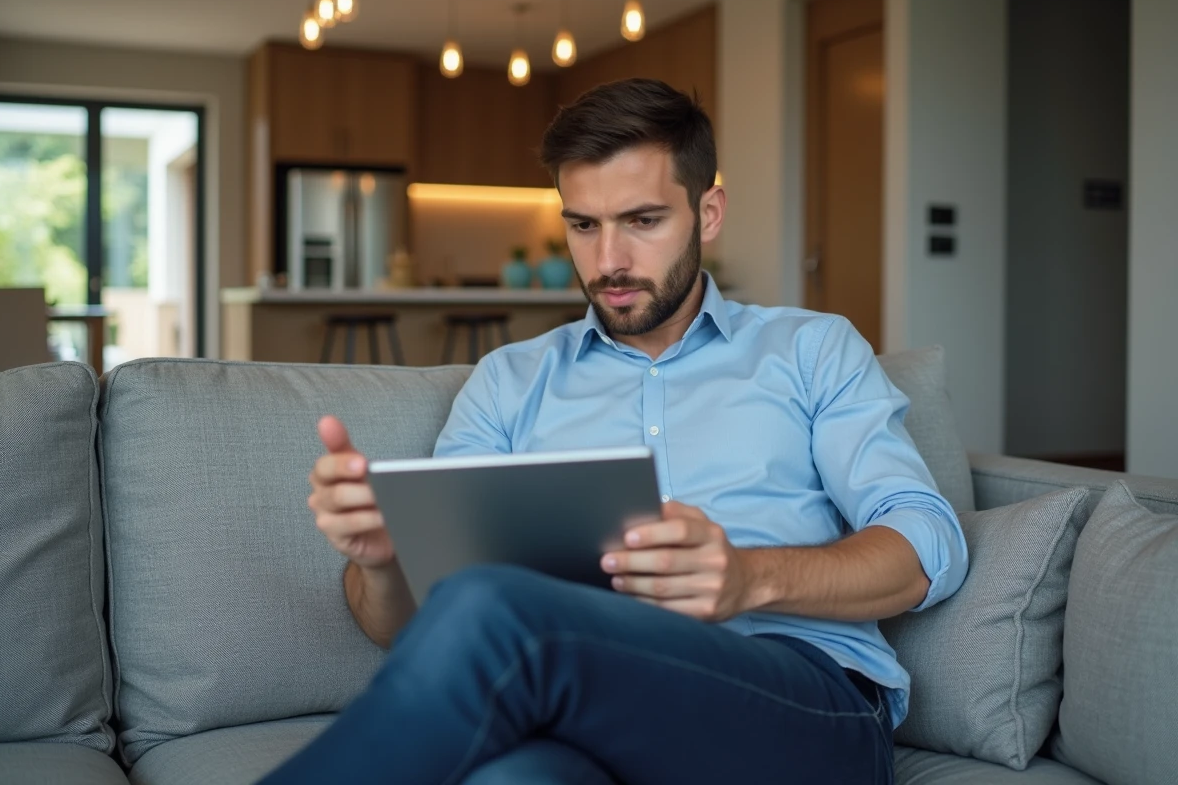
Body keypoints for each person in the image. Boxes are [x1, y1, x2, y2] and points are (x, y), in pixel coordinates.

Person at [261, 78, 968, 785]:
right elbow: (407, 630)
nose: (608, 263)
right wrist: (387, 561)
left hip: (804, 701)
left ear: (708, 212)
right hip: (591, 712)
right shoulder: (509, 383)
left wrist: (751, 578)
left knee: (493, 607)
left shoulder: (811, 350)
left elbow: (927, 542)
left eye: (642, 221)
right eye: (583, 226)